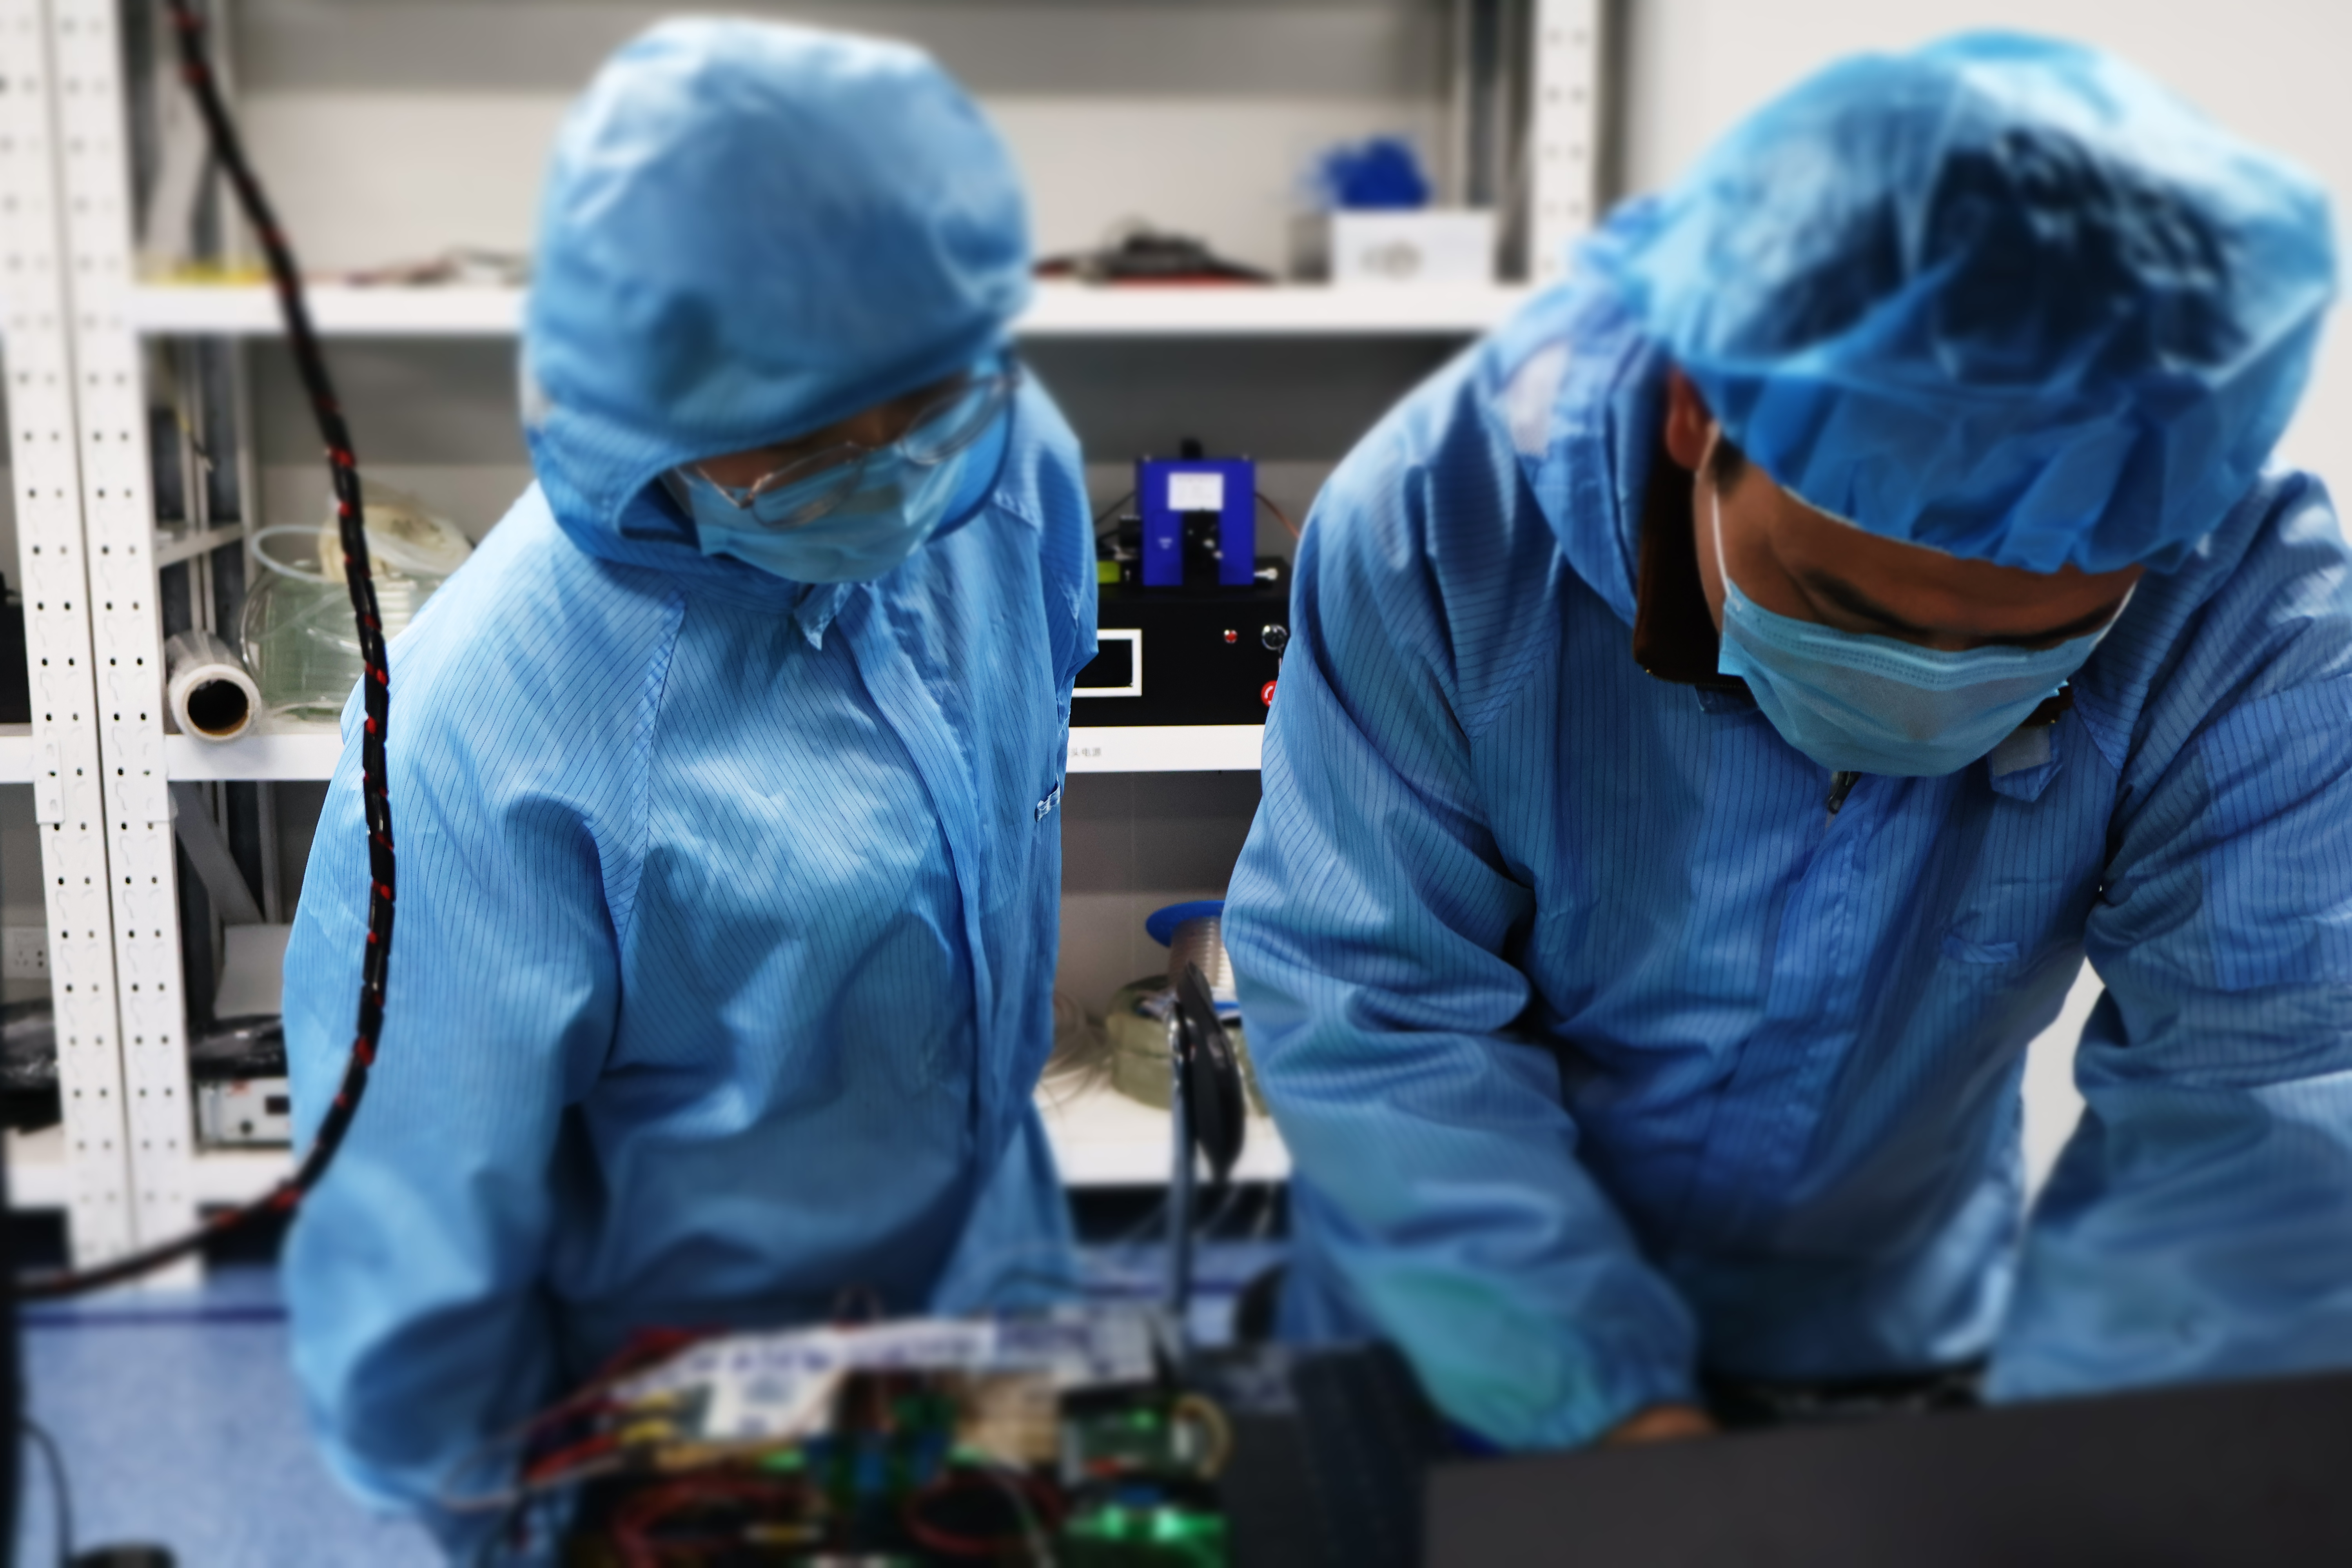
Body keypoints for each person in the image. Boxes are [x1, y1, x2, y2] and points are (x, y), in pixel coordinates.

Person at [1225, 32, 2352, 1451]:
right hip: (1469, 1338)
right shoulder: (1444, 528)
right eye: (1848, 608)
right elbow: (1380, 1009)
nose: (1929, 692)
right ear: (1697, 409)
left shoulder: (2237, 602)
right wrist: (1613, 1422)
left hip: (1881, 1342)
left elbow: (2260, 1097)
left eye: (2029, 646)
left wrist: (2084, 1483)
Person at [279, 20, 1095, 1548]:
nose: (885, 468)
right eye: (799, 435)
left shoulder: (996, 467)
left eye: (916, 398)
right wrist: (521, 1520)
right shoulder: (482, 728)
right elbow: (412, 1229)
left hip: (997, 1296)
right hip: (680, 1405)